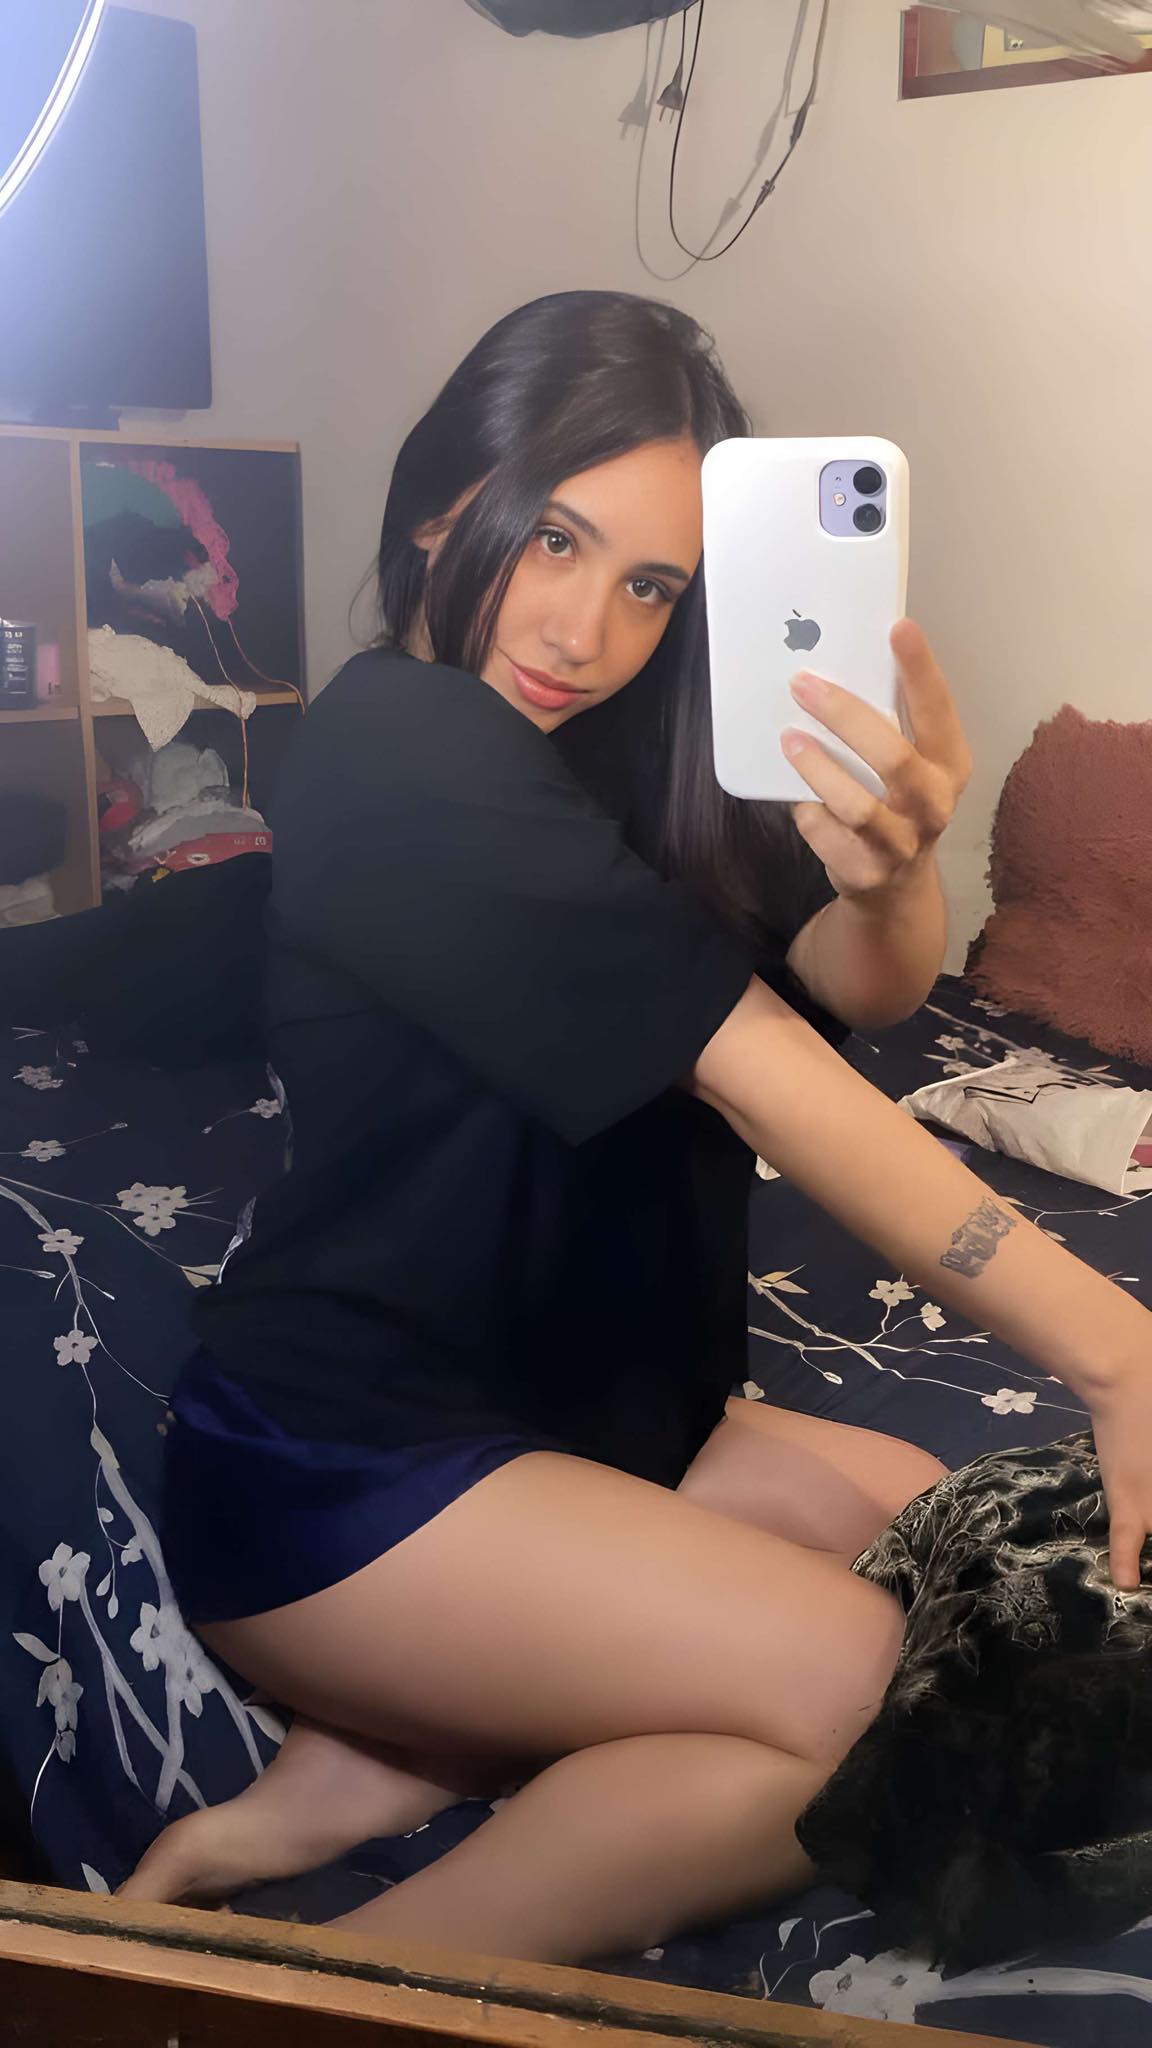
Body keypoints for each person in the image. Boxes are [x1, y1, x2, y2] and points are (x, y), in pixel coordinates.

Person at [121, 292, 1152, 1964]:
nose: (585, 629)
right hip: (349, 1460)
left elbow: (864, 988)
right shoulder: (396, 743)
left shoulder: (630, 754)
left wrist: (895, 869)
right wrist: (1115, 1347)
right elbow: (759, 1066)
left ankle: (366, 1772)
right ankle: (340, 1980)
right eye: (554, 541)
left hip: (588, 1410)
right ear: (442, 505)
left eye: (651, 586)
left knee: (924, 1527)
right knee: (856, 1692)